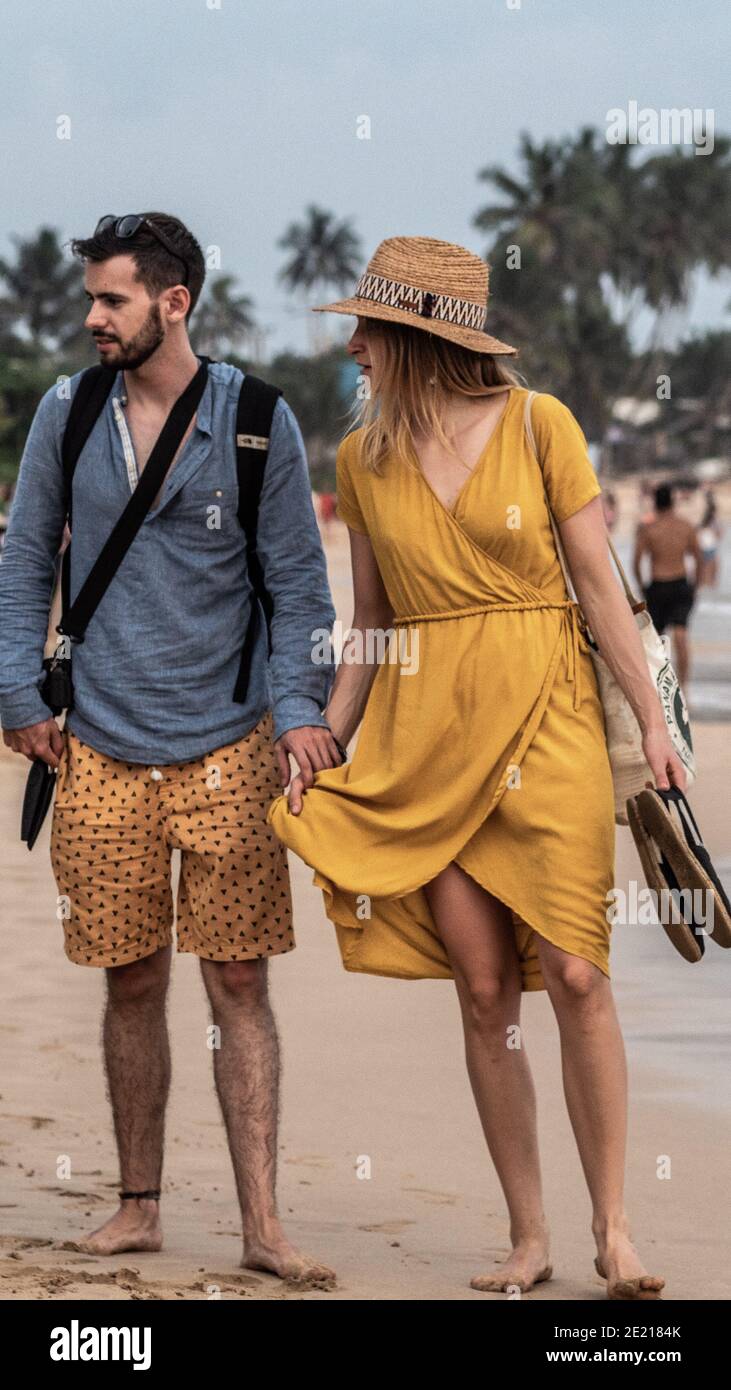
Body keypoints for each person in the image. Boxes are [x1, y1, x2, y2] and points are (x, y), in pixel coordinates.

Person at [267, 235, 686, 1300]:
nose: (350, 345)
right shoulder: (359, 464)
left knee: (579, 972)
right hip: (425, 744)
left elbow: (596, 584)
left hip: (545, 722)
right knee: (485, 988)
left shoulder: (540, 424)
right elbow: (370, 623)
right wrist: (327, 733)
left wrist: (652, 722)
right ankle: (528, 1235)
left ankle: (613, 1229)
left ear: (411, 336)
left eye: (365, 326)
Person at [0, 211, 341, 1286]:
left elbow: (299, 588)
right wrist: (16, 690)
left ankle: (262, 1226)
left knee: (238, 980)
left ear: (173, 301)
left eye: (112, 299)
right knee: (130, 979)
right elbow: (20, 565)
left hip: (232, 745)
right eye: (91, 298)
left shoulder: (257, 423)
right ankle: (138, 1205)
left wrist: (298, 711)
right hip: (95, 744)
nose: (92, 317)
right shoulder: (67, 409)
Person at [633, 481, 700, 691]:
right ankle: (685, 686)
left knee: (657, 642)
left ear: (655, 503)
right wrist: (694, 586)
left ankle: (660, 687)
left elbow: (636, 562)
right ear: (673, 502)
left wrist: (643, 587)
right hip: (680, 584)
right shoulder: (685, 526)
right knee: (681, 636)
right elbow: (699, 558)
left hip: (657, 586)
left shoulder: (648, 528)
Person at [696, 489, 723, 589]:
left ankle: (705, 590)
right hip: (708, 544)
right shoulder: (711, 517)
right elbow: (719, 533)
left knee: (704, 572)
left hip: (704, 544)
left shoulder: (704, 517)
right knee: (710, 572)